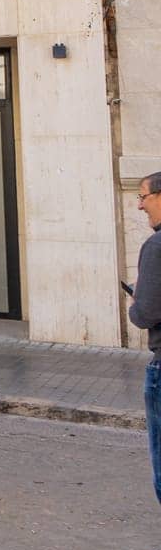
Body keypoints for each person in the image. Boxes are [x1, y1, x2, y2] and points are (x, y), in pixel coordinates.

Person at [128, 172, 161, 517]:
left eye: (143, 197)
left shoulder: (155, 246)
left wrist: (135, 303)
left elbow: (145, 314)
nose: (139, 205)